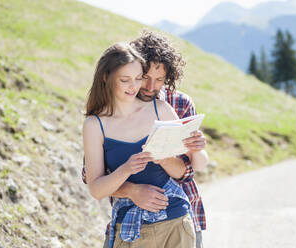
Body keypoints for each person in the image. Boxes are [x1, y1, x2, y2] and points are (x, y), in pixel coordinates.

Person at [82, 31, 208, 248]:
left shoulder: (169, 106)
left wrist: (191, 150)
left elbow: (193, 168)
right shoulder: (96, 124)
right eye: (143, 78)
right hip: (129, 222)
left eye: (158, 80)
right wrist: (130, 182)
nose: (144, 87)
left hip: (178, 217)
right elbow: (94, 182)